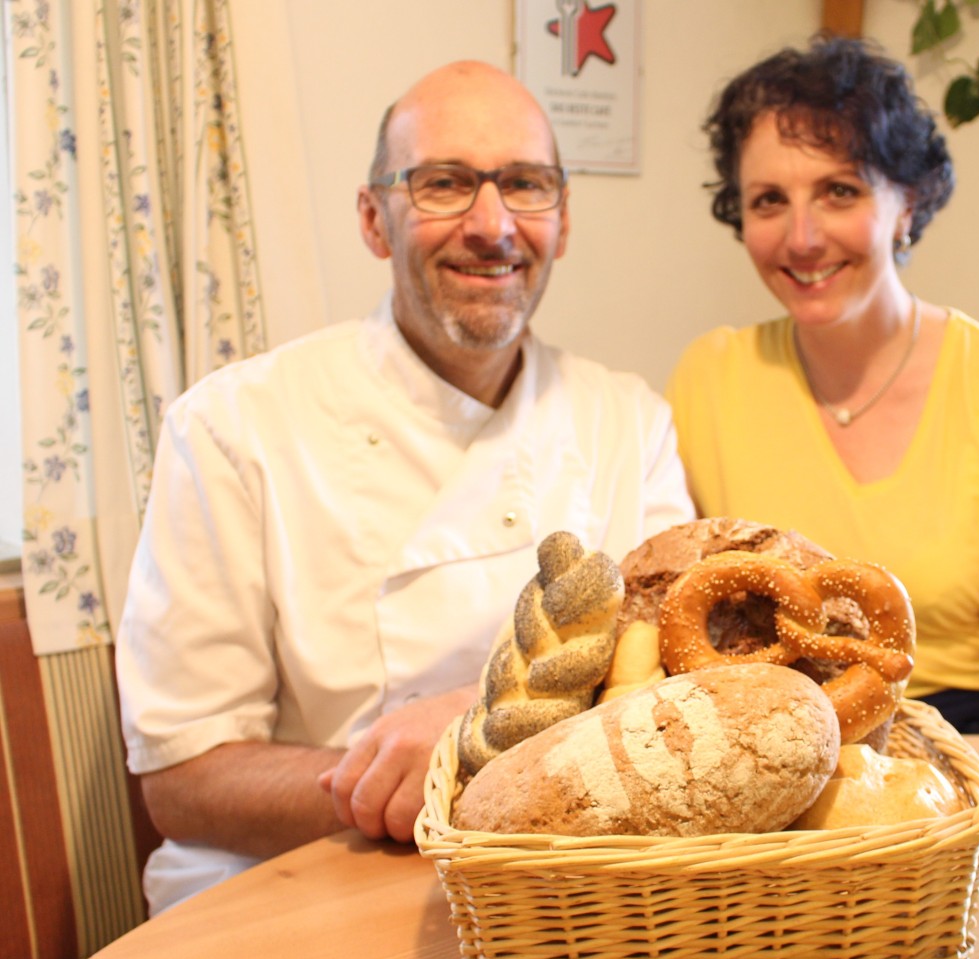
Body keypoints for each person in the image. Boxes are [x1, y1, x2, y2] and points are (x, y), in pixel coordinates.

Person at [117, 61, 695, 914]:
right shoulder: (233, 428)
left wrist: (476, 733)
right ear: (373, 219)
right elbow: (185, 782)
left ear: (562, 221)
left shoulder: (628, 419)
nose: (493, 225)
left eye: (525, 186)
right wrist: (442, 771)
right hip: (297, 884)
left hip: (564, 884)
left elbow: (674, 676)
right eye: (444, 185)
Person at [667, 37, 979, 737]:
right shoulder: (706, 379)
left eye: (840, 191)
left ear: (909, 203)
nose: (802, 237)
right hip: (784, 745)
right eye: (769, 200)